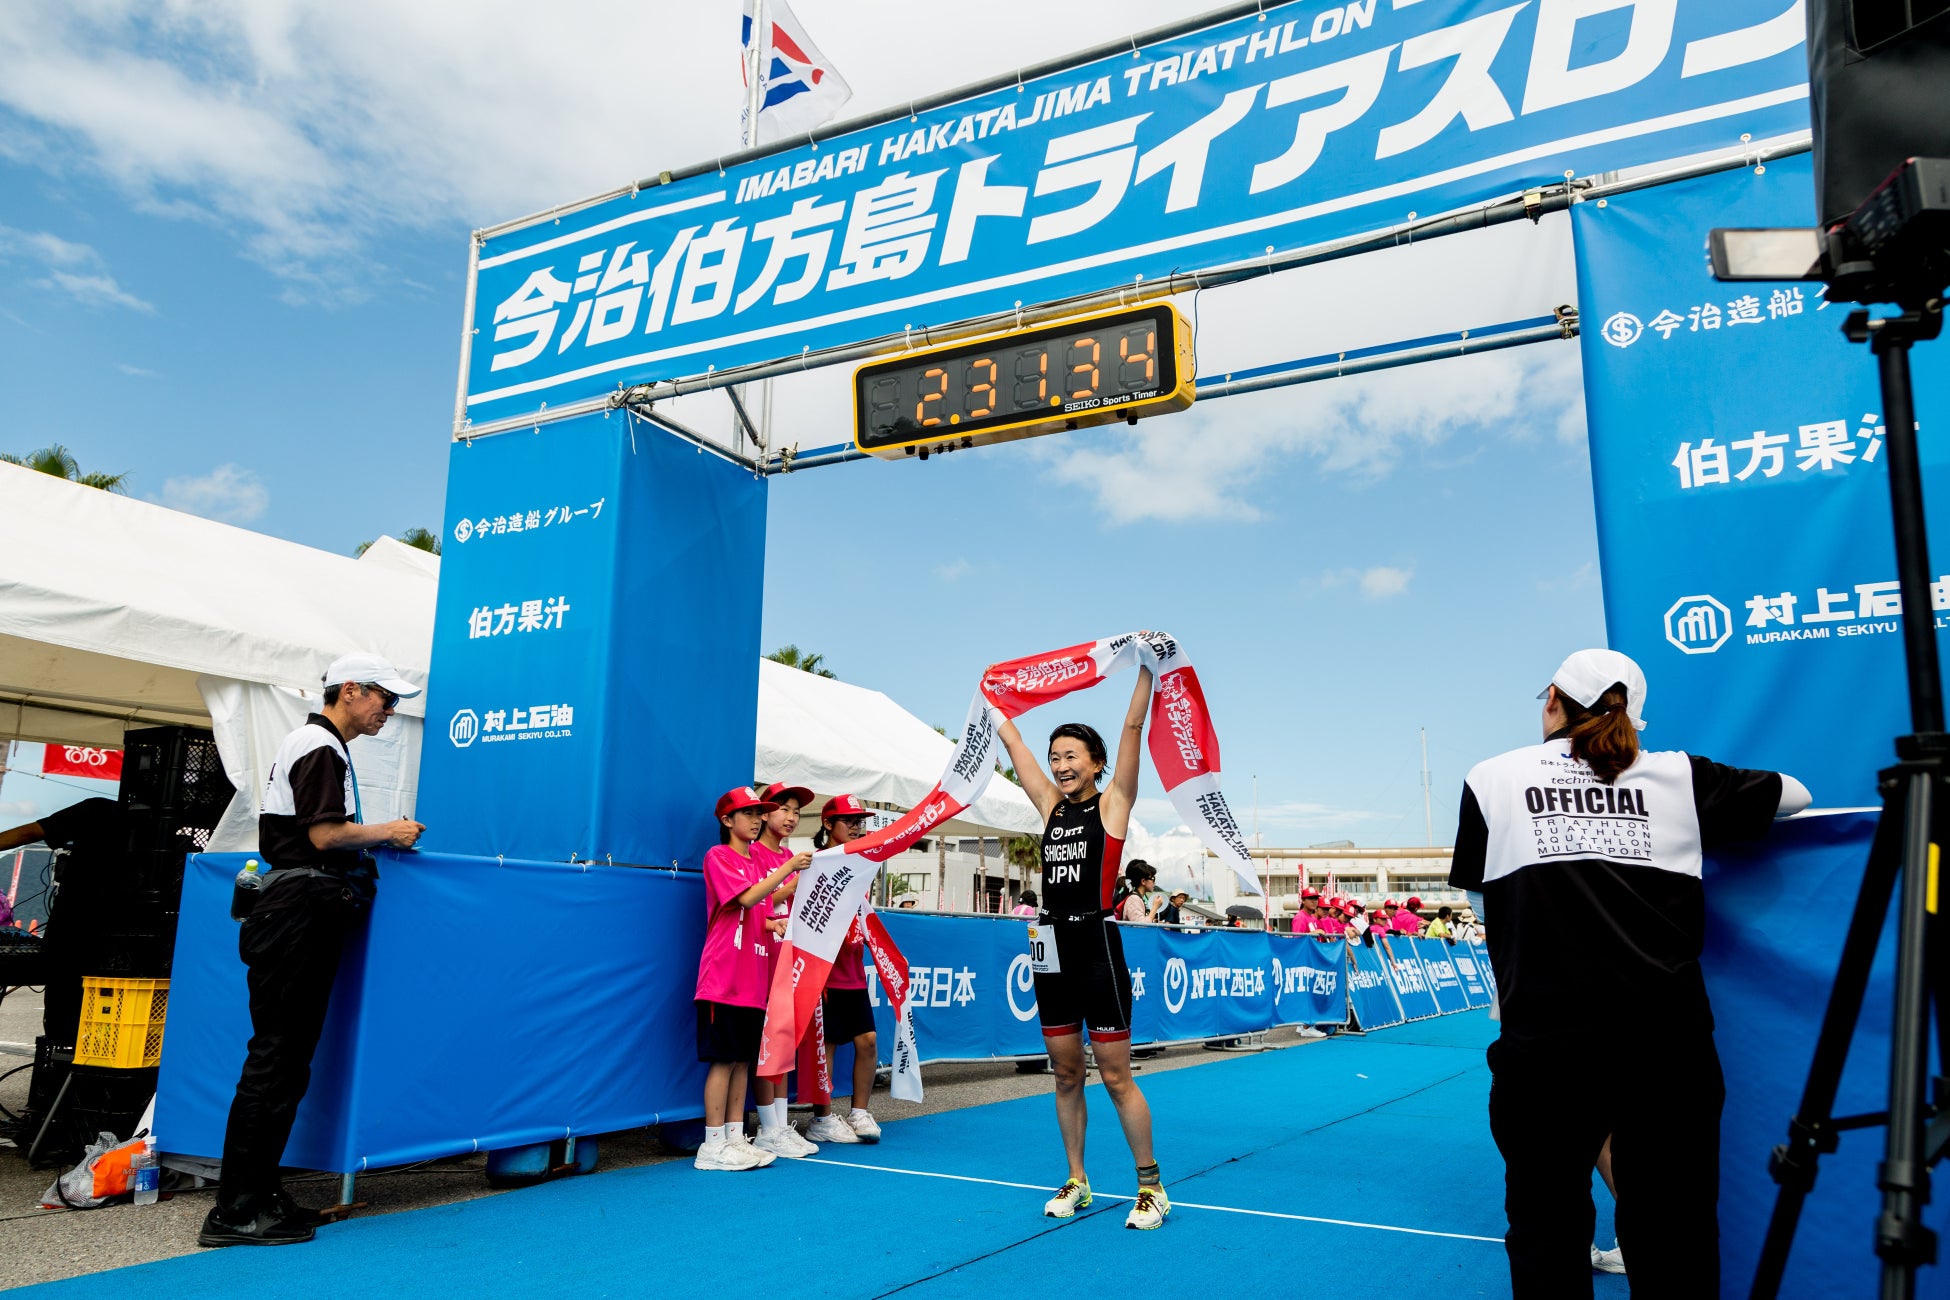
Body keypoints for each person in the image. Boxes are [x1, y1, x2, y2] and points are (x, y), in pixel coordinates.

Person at [1449, 648, 1809, 1298]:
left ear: (1554, 698)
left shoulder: (1492, 778)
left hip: (1545, 1049)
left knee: (1545, 1234)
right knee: (1677, 1240)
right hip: (1666, 1046)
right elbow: (1795, 794)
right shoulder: (1677, 776)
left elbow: (1485, 907)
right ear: (1633, 716)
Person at [200, 654, 427, 1247]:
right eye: (384, 698)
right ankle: (236, 1209)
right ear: (349, 691)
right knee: (277, 1060)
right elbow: (325, 836)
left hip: (292, 909)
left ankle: (259, 1193)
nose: (391, 711)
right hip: (297, 910)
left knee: (285, 1060)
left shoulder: (317, 744)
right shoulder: (319, 744)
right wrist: (390, 830)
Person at [997, 666, 1169, 1231]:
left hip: (1096, 940)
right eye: (1056, 757)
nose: (1061, 766)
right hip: (1049, 942)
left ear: (1095, 763)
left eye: (1073, 756)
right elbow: (1012, 742)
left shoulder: (1113, 803)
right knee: (1065, 1073)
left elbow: (1133, 726)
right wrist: (991, 702)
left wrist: (1145, 669)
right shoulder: (1051, 808)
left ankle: (1150, 1186)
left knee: (1117, 1076)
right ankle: (1077, 1179)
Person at [694, 786, 805, 1172]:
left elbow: (757, 913)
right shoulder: (718, 856)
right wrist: (788, 869)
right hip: (723, 978)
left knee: (743, 1061)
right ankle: (711, 1145)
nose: (758, 820)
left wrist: (774, 923)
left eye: (761, 814)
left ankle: (736, 1137)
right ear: (727, 820)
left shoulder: (758, 866)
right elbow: (743, 901)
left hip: (753, 981)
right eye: (749, 814)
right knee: (724, 1062)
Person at [0, 797, 135, 1049]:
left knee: (64, 1017)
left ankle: (59, 1069)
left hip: (75, 931)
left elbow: (31, 831)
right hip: (131, 943)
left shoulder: (99, 809)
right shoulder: (168, 828)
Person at [802, 794, 883, 1146]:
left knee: (867, 1041)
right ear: (827, 824)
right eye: (848, 820)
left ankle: (859, 1112)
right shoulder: (816, 863)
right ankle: (821, 1117)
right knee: (828, 1045)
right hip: (824, 974)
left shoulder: (861, 864)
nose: (855, 826)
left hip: (852, 971)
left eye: (859, 821)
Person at [749, 781, 818, 1160]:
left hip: (790, 958)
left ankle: (780, 1124)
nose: (791, 817)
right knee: (767, 1044)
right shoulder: (755, 853)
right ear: (762, 812)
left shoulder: (790, 854)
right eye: (783, 809)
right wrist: (792, 881)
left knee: (783, 1041)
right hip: (763, 959)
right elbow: (757, 901)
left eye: (796, 811)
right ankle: (767, 1128)